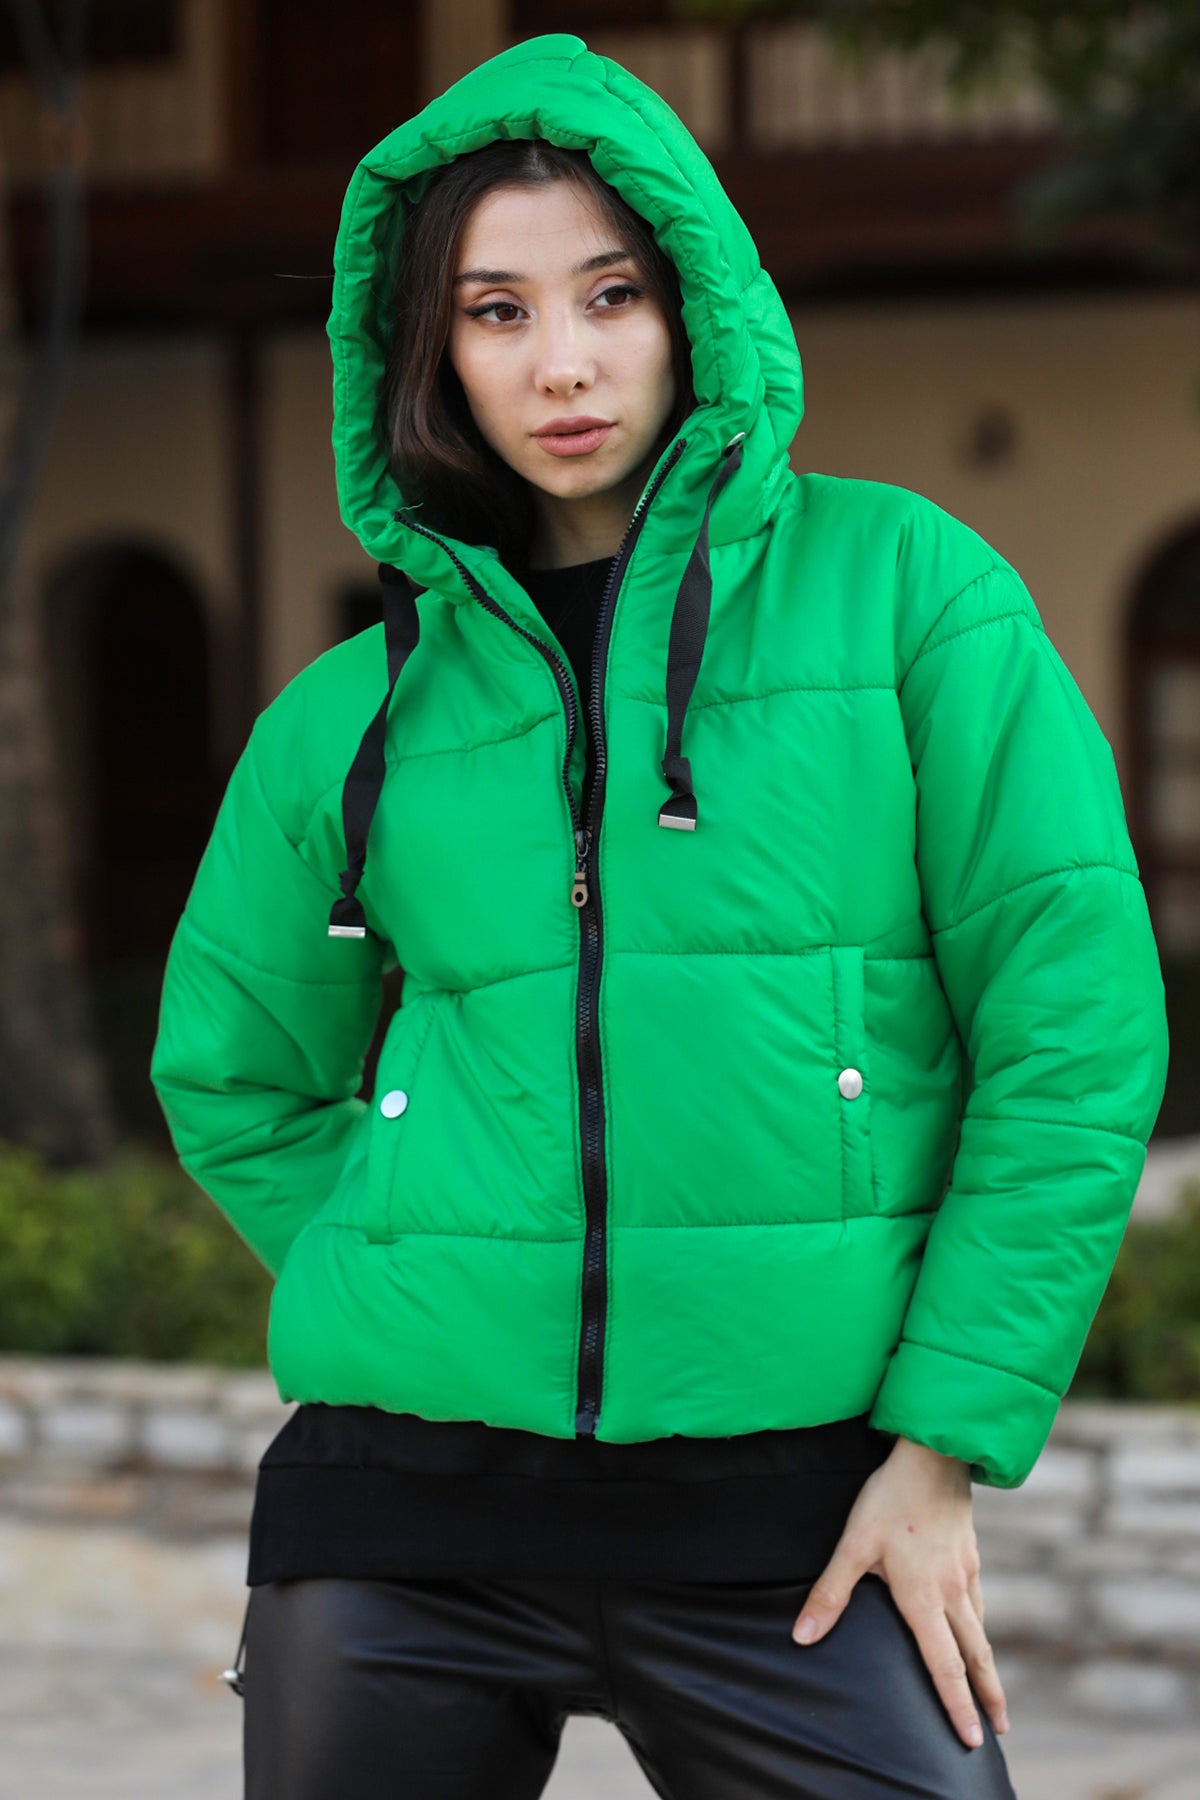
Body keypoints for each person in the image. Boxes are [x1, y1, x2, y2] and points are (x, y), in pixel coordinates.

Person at [150, 31, 1169, 1800]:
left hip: (803, 1516)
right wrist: (423, 1261)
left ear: (697, 300)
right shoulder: (349, 717)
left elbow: (1070, 1033)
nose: (563, 361)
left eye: (610, 293)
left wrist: (941, 1441)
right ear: (427, 351)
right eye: (495, 312)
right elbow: (233, 1071)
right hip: (405, 1525)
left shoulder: (911, 598)